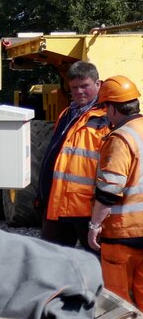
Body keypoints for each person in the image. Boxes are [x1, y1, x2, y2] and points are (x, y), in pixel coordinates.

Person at [38, 60, 111, 250]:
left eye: (84, 86)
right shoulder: (67, 114)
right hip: (58, 204)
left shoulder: (105, 117)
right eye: (74, 87)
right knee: (52, 260)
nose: (79, 91)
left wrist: (101, 213)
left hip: (86, 208)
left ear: (98, 84)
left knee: (97, 261)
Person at [88, 75, 143, 305]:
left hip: (123, 234)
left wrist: (94, 226)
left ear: (112, 108)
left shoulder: (121, 137)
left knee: (118, 304)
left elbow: (109, 191)